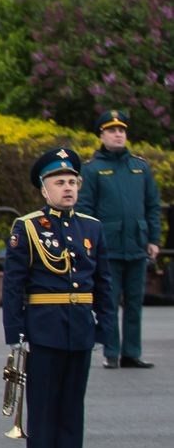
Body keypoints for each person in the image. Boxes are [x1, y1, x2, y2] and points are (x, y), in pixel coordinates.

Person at [5, 147, 103, 448]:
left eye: (72, 182)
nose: (68, 188)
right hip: (44, 329)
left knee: (72, 411)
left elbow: (103, 283)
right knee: (44, 411)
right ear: (44, 190)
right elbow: (14, 284)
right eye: (59, 182)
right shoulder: (28, 227)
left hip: (80, 328)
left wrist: (104, 329)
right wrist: (16, 333)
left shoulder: (91, 227)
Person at [77, 107, 159, 369]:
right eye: (112, 130)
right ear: (101, 135)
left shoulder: (140, 167)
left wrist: (153, 239)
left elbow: (152, 206)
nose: (118, 135)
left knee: (134, 302)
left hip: (136, 244)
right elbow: (85, 210)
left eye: (121, 130)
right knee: (108, 302)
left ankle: (131, 352)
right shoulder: (92, 169)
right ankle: (111, 352)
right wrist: (90, 244)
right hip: (108, 247)